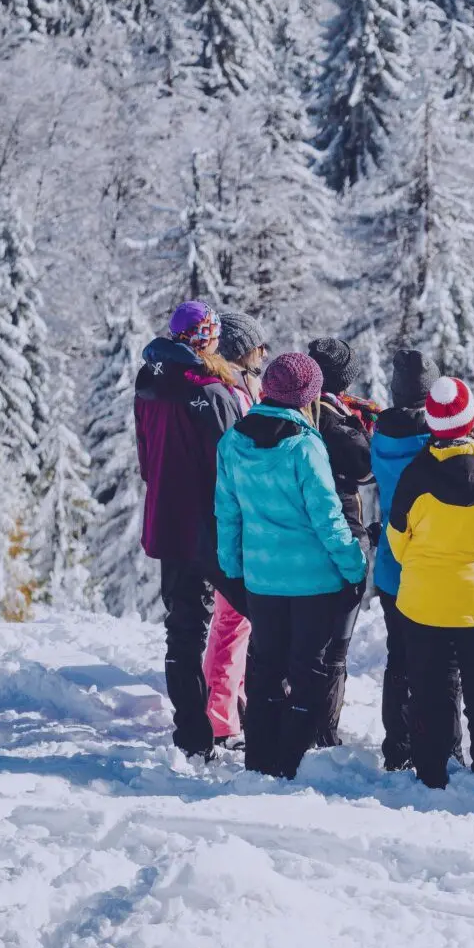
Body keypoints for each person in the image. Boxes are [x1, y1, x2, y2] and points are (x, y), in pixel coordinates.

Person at [214, 353, 369, 780]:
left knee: (264, 669)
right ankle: (291, 762)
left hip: (261, 580)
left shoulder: (232, 442)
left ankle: (259, 759)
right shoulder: (305, 446)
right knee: (307, 671)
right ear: (307, 397)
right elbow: (328, 517)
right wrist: (353, 566)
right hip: (313, 581)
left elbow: (227, 515)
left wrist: (232, 570)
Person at [385, 376, 474, 789]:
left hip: (423, 605)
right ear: (471, 418)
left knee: (429, 690)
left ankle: (431, 772)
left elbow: (397, 542)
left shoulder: (415, 476)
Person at [134, 300, 244, 757]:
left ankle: (192, 735)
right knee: (258, 614)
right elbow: (233, 465)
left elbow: (145, 454)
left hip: (167, 519)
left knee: (182, 629)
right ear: (206, 339)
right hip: (211, 526)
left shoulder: (149, 382)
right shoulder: (211, 393)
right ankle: (252, 721)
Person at [368, 348, 460, 773]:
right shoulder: (432, 440)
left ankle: (397, 746)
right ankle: (445, 744)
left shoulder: (380, 435)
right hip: (432, 566)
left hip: (391, 565)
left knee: (400, 658)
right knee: (442, 662)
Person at [201, 310, 269, 749]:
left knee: (237, 620)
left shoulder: (242, 388)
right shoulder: (231, 394)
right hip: (235, 521)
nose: (265, 352)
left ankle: (230, 702)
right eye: (259, 345)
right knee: (233, 619)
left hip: (239, 518)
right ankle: (220, 717)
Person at [306, 336, 375, 748]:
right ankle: (323, 730)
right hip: (341, 528)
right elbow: (364, 466)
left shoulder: (297, 408)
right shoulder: (332, 419)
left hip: (302, 535)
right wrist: (359, 428)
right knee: (335, 644)